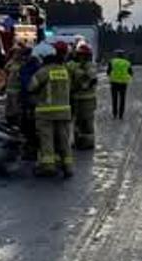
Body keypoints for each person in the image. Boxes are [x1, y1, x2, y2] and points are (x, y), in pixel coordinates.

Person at [28, 41, 74, 178]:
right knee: (64, 141)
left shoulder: (44, 71)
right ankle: (68, 167)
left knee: (47, 140)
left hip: (46, 112)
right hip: (64, 112)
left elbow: (31, 87)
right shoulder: (64, 70)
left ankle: (48, 166)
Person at [73, 42, 100, 150]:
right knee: (78, 121)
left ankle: (88, 143)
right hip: (77, 99)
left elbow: (92, 79)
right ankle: (78, 141)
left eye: (82, 55)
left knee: (87, 122)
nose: (81, 57)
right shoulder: (77, 65)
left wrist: (84, 85)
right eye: (79, 55)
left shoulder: (90, 65)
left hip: (88, 100)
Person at [108, 49, 134, 120]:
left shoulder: (112, 61)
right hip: (123, 83)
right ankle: (121, 115)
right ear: (123, 56)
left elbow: (108, 72)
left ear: (116, 55)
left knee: (114, 99)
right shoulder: (127, 63)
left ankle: (114, 114)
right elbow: (131, 73)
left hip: (114, 83)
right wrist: (127, 78)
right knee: (122, 99)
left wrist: (112, 76)